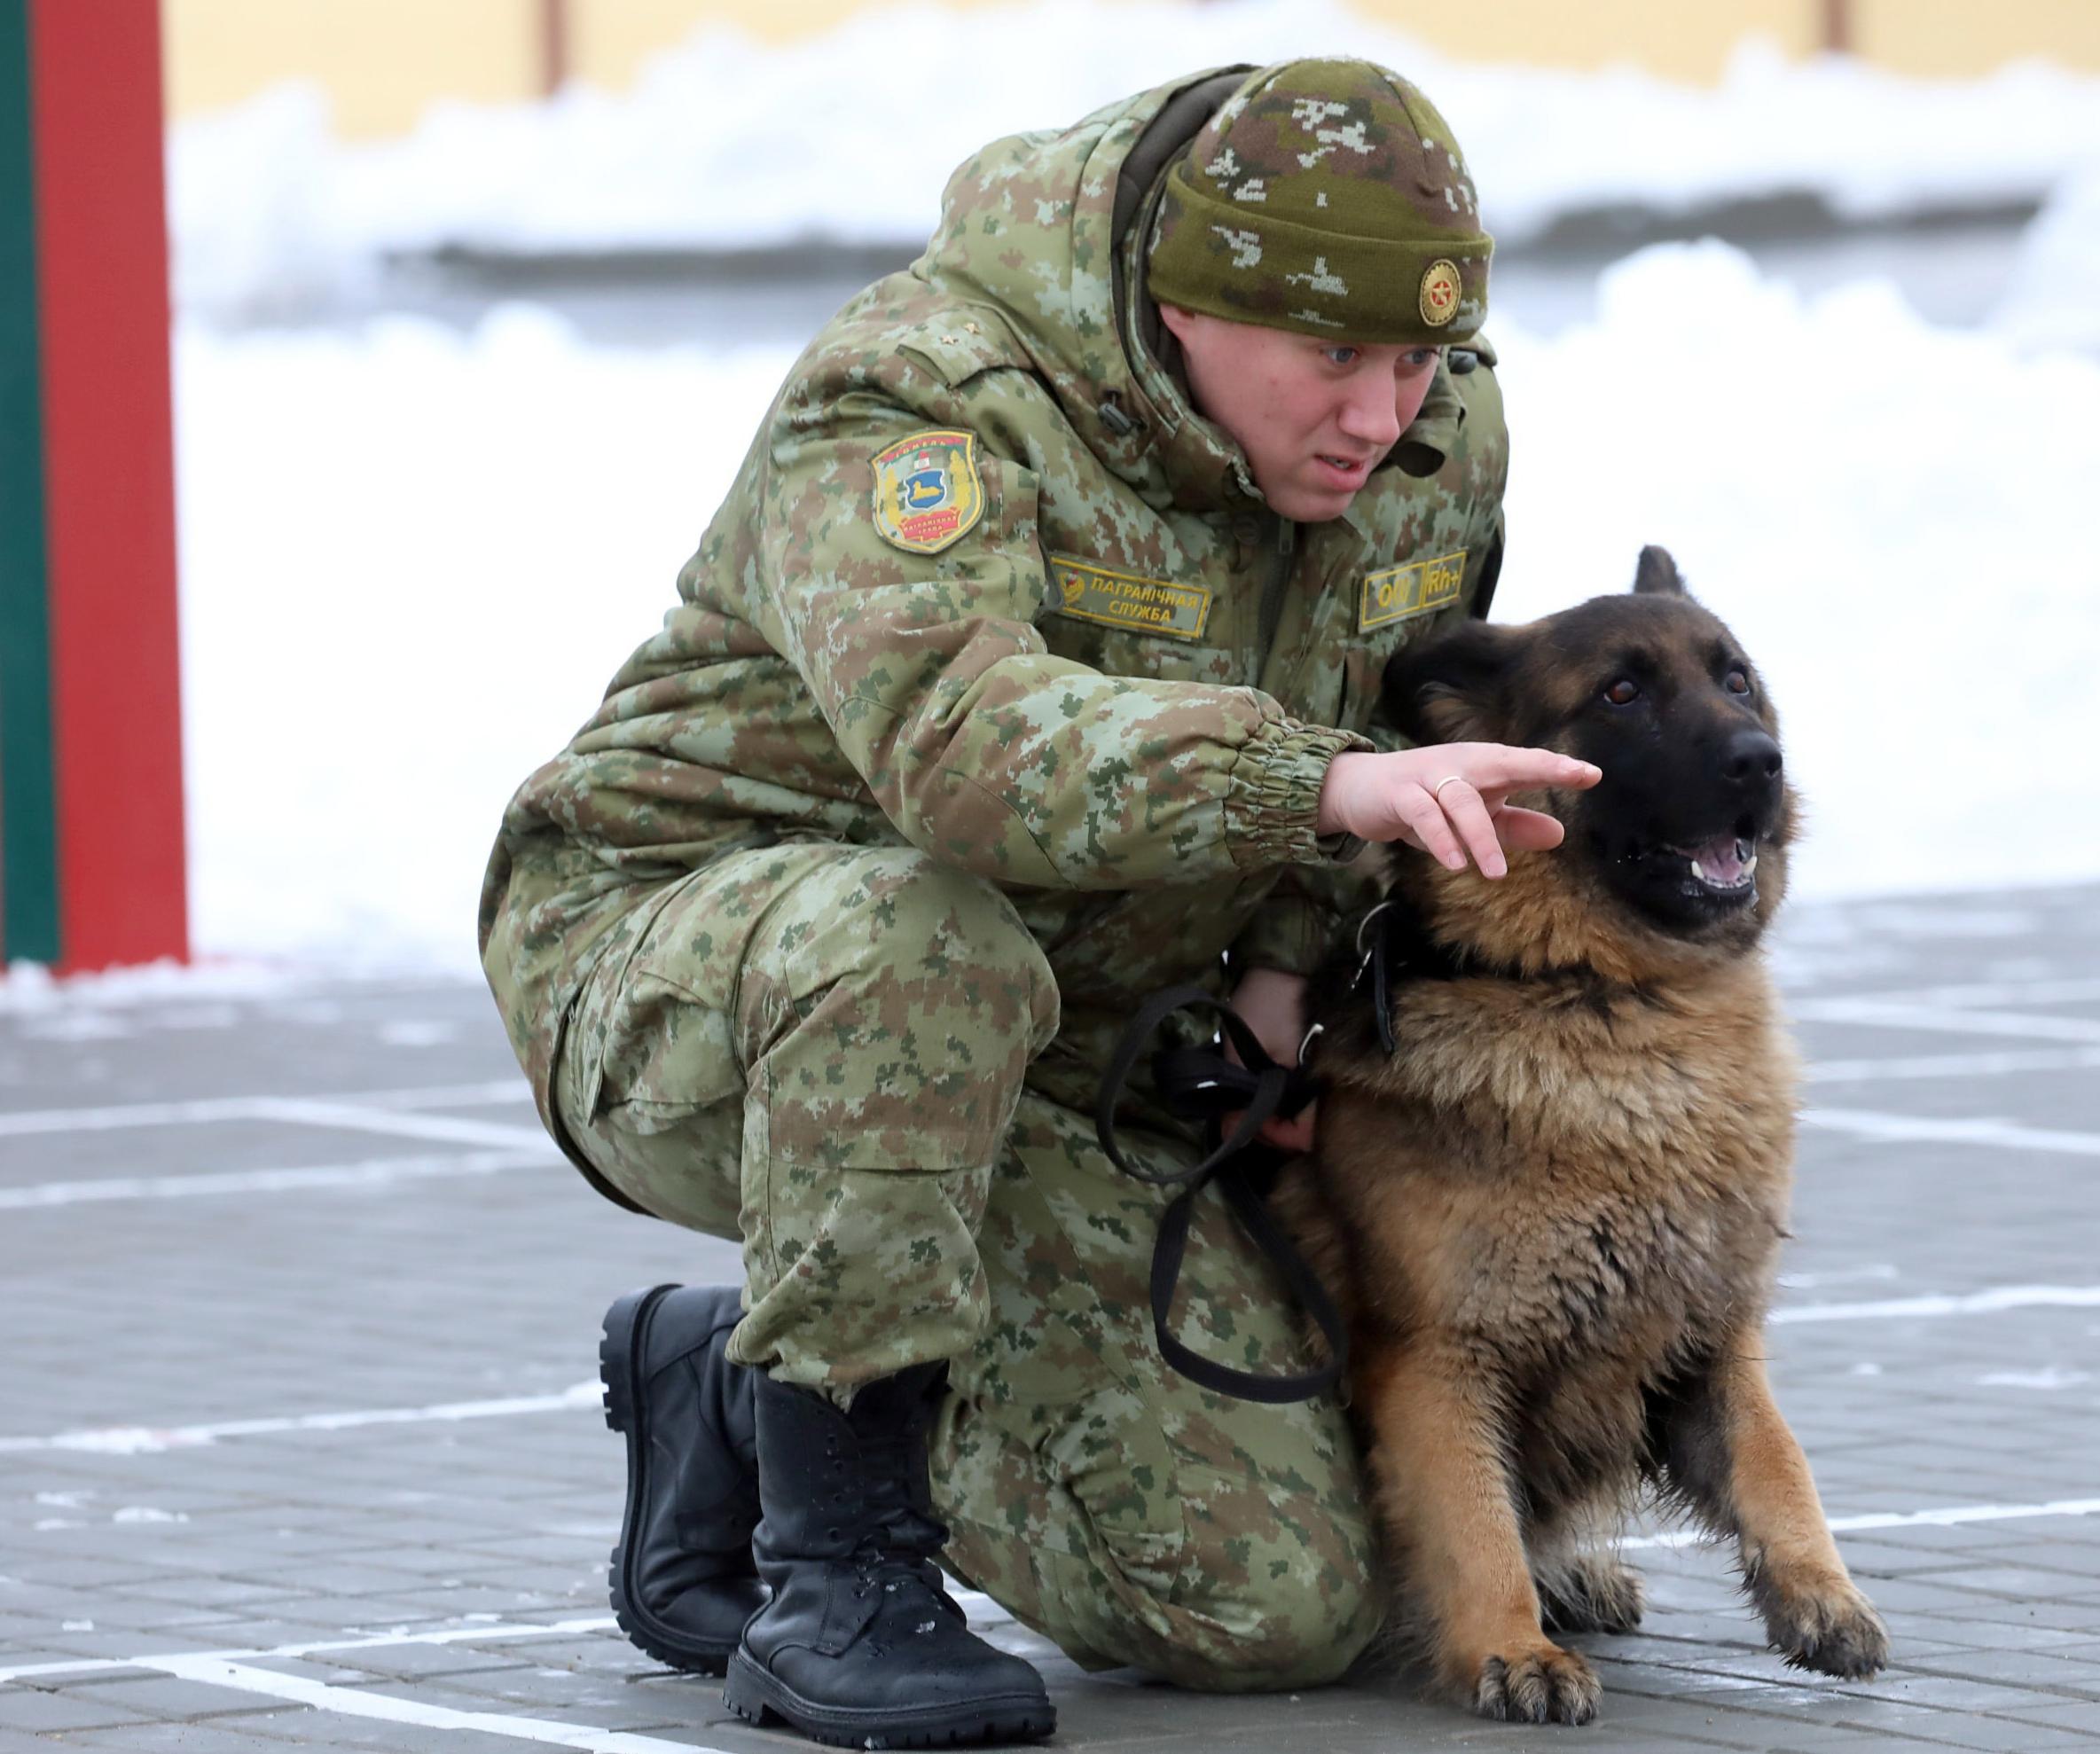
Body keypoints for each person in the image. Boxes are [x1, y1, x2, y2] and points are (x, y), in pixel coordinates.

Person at [476, 56, 1596, 1750]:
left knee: (1285, 1600)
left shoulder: (1433, 442)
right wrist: (1304, 786)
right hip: (686, 961)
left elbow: (1386, 714)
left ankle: (733, 1385)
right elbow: (963, 748)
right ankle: (836, 1570)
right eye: (1336, 359)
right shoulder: (921, 402)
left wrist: (1289, 977)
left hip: (1056, 1039)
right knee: (918, 942)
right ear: (1183, 301)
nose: (1385, 412)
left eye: (1422, 356)